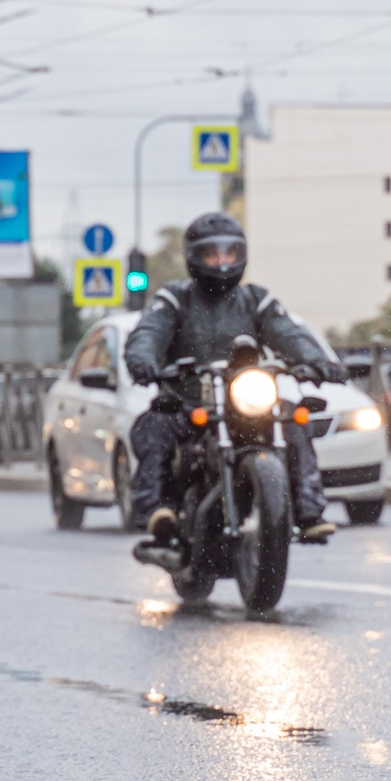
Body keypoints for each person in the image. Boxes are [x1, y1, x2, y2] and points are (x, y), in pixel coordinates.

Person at [121, 211, 340, 546]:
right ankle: (156, 511)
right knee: (155, 427)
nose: (221, 262)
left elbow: (289, 333)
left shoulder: (255, 300)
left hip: (246, 400)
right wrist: (143, 360)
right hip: (189, 401)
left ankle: (309, 511)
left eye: (229, 253)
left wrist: (317, 361)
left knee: (294, 420)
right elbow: (149, 332)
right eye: (212, 254)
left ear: (241, 255)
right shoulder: (174, 299)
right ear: (194, 257)